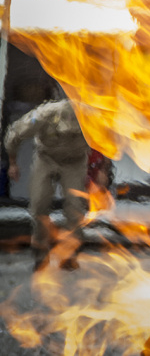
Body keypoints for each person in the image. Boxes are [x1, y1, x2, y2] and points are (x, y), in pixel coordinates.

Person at [4, 98, 90, 271]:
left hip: (75, 162)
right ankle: (40, 254)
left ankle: (69, 254)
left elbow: (108, 143)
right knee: (39, 204)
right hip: (46, 158)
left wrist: (103, 170)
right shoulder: (44, 114)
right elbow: (15, 134)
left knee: (75, 208)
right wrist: (12, 163)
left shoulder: (91, 116)